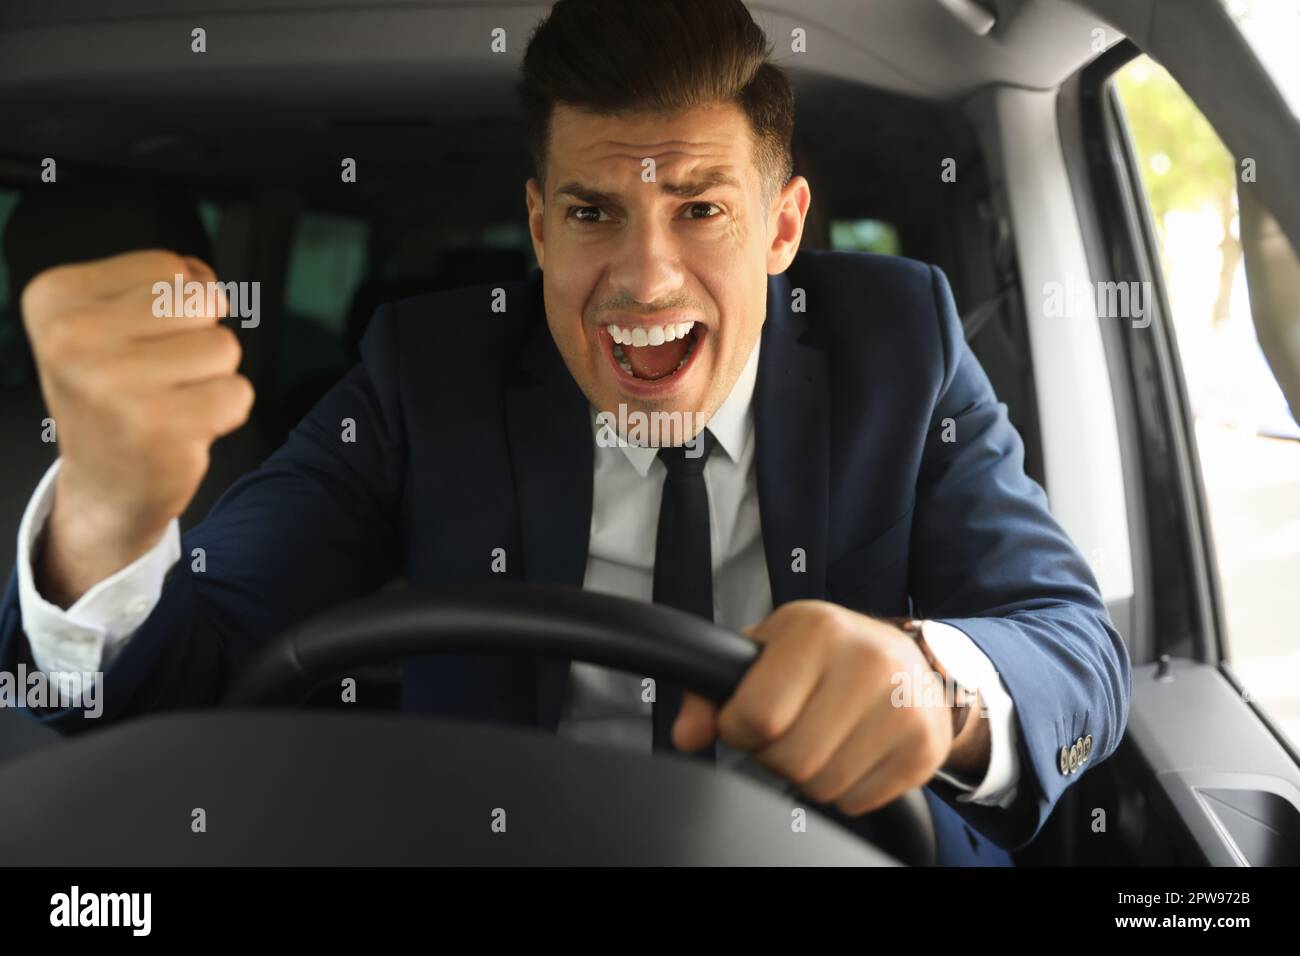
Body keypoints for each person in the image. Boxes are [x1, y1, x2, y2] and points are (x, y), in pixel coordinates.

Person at [0, 0, 1129, 866]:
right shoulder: (424, 375)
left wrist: (933, 681)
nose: (643, 277)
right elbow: (172, 685)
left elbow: (1074, 650)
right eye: (594, 212)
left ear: (782, 226)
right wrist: (106, 508)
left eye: (700, 207)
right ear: (540, 226)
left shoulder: (900, 341)